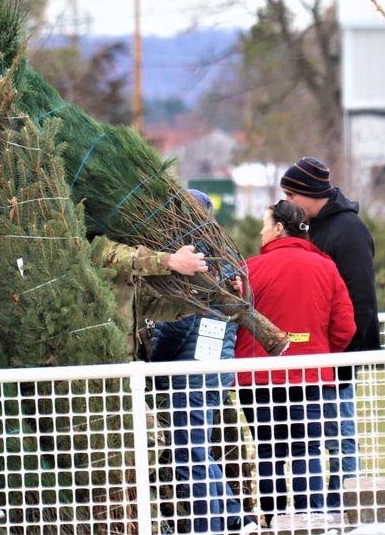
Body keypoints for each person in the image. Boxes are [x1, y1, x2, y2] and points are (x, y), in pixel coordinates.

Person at [234, 200, 356, 522]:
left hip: (259, 377)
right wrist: (319, 350)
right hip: (310, 374)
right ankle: (311, 519)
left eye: (264, 223)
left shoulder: (249, 270)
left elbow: (232, 322)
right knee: (308, 449)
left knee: (269, 451)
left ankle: (274, 521)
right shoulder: (326, 267)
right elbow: (345, 326)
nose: (260, 231)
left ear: (277, 228)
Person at [149, 190, 259, 533]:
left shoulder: (190, 263)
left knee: (189, 457)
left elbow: (178, 324)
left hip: (189, 378)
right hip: (215, 375)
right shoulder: (227, 264)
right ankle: (237, 517)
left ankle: (208, 527)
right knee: (199, 453)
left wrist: (154, 366)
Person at [280, 156, 379, 511]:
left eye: (291, 194)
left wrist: (341, 355)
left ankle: (346, 510)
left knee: (340, 439)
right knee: (323, 436)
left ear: (309, 193)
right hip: (322, 354)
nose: (286, 203)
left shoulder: (348, 230)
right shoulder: (313, 227)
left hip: (337, 355)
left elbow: (361, 299)